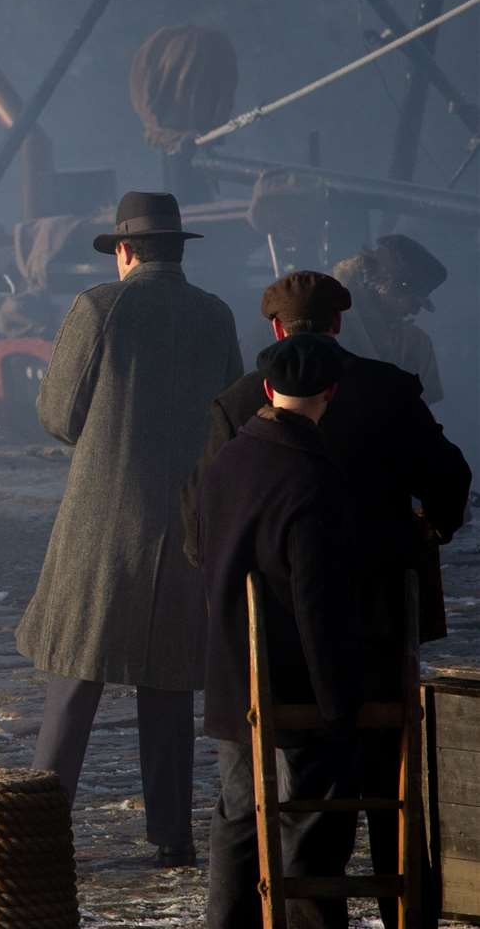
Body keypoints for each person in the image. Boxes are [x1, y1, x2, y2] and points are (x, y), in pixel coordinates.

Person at [183, 270, 470, 927]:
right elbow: (451, 477)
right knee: (380, 791)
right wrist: (431, 527)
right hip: (372, 641)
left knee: (240, 805)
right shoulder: (390, 391)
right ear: (339, 324)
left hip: (253, 652)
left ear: (276, 331)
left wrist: (245, 591)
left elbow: (198, 530)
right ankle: (402, 915)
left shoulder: (236, 406)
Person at [15, 191, 243, 868]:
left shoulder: (99, 308)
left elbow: (58, 415)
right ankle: (171, 837)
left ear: (124, 251)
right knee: (167, 683)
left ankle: (38, 834)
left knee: (74, 676)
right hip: (186, 525)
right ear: (176, 250)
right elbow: (232, 421)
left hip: (103, 524)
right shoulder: (215, 315)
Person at [200, 333, 365, 929]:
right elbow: (315, 604)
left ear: (267, 390)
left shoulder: (229, 461)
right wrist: (336, 706)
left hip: (232, 674)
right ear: (330, 394)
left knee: (239, 815)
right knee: (312, 825)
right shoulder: (313, 479)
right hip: (295, 683)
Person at [333, 234, 447, 402]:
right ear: (388, 283)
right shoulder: (334, 324)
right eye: (412, 301)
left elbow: (424, 404)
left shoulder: (417, 343)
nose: (415, 311)